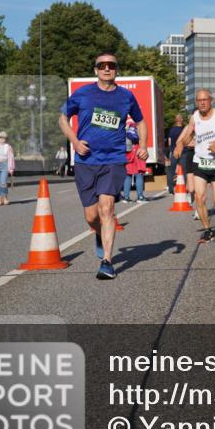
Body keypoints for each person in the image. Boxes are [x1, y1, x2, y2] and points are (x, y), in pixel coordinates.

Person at [58, 52, 147, 280]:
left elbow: (140, 121)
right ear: (95, 70)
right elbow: (62, 118)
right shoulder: (83, 94)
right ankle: (98, 232)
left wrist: (143, 145)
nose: (107, 68)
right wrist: (75, 142)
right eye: (102, 65)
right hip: (86, 161)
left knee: (107, 208)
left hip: (114, 159)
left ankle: (107, 261)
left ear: (117, 70)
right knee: (91, 216)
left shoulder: (126, 96)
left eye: (111, 65)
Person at [172, 88, 215, 243]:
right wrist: (180, 144)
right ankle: (208, 230)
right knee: (199, 198)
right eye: (199, 100)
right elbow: (188, 136)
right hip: (200, 161)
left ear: (211, 100)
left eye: (204, 100)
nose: (202, 103)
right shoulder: (194, 117)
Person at [121, 120, 147, 203]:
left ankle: (126, 197)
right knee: (139, 174)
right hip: (138, 151)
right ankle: (140, 197)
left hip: (128, 153)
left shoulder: (126, 127)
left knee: (128, 175)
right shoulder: (139, 126)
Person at [164, 113, 185, 195]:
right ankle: (186, 189)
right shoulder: (184, 129)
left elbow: (169, 142)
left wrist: (171, 150)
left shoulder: (171, 130)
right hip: (183, 152)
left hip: (174, 152)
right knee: (185, 170)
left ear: (176, 120)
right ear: (181, 120)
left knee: (171, 171)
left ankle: (171, 189)